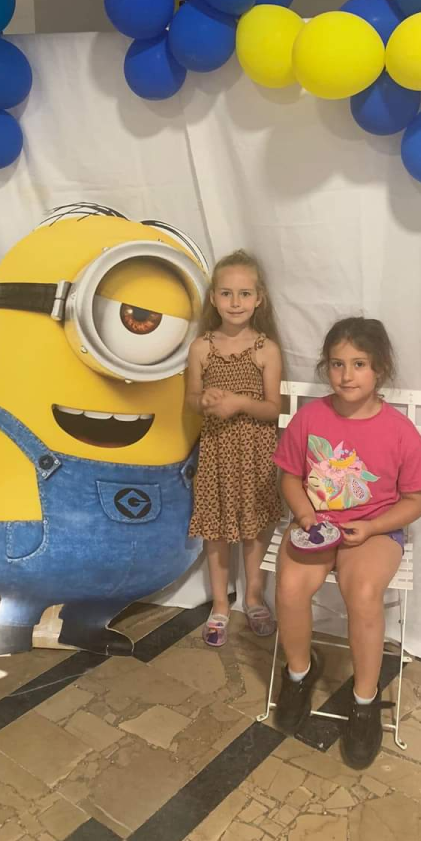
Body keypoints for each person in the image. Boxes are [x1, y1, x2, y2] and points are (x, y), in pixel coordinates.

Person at [273, 317, 421, 768]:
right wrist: (304, 514)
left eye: (359, 364)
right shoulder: (310, 418)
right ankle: (299, 673)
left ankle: (364, 702)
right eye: (337, 364)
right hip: (316, 523)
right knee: (289, 586)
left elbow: (416, 500)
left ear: (379, 368)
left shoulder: (398, 431)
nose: (347, 375)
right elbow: (289, 477)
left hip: (374, 528)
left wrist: (372, 527)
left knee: (363, 592)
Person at [186, 250, 283, 647]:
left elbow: (273, 409)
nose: (236, 302)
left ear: (259, 298)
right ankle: (220, 605)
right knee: (216, 530)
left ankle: (254, 599)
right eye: (226, 293)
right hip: (216, 453)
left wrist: (240, 403)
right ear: (214, 298)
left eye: (244, 294)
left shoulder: (266, 349)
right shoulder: (201, 347)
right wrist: (205, 400)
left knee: (254, 530)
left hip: (255, 455)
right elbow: (191, 399)